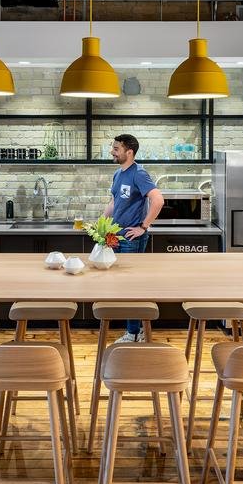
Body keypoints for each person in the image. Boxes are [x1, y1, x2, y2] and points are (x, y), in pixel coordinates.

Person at [103, 133, 164, 342]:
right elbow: (114, 202)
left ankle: (134, 334)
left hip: (132, 238)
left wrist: (143, 227)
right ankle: (133, 332)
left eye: (116, 149)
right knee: (123, 286)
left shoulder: (139, 173)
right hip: (116, 237)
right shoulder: (119, 173)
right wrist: (101, 224)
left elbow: (158, 200)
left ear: (129, 152)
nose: (112, 151)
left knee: (132, 286)